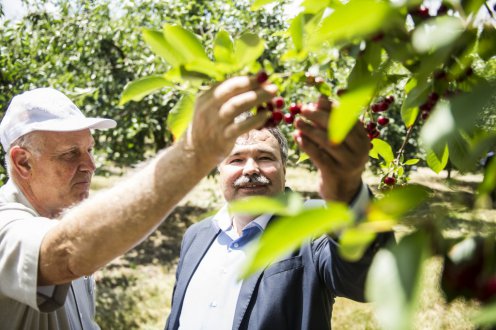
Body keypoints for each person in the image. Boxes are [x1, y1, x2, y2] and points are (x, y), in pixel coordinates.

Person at [0, 76, 277, 330]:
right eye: (70, 154)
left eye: (89, 149)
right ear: (23, 162)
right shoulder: (6, 225)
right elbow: (65, 255)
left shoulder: (61, 220)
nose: (90, 165)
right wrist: (193, 155)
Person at [165, 95, 393, 330]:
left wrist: (348, 188)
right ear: (219, 171)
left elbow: (370, 279)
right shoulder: (196, 236)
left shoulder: (312, 224)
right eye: (236, 160)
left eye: (265, 158)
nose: (251, 168)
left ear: (284, 170)